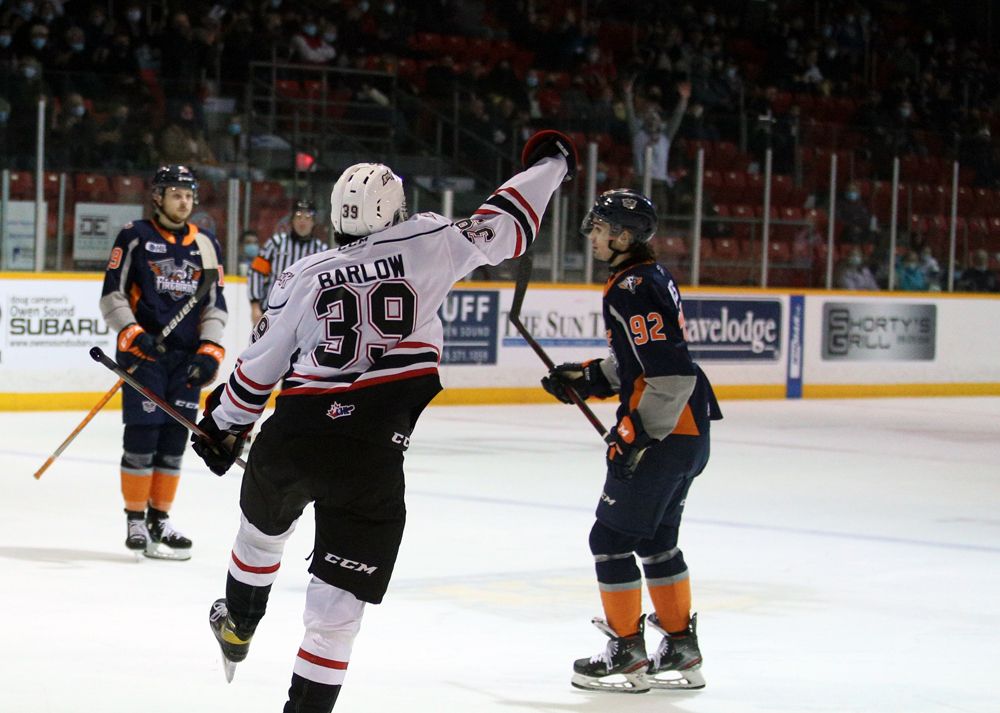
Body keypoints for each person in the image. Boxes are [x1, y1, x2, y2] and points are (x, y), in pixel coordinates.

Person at [188, 130, 578, 711]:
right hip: (370, 459)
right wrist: (553, 164)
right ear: (392, 210)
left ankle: (239, 623)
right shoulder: (431, 240)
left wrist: (223, 426)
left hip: (293, 438)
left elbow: (256, 370)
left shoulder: (305, 274)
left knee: (259, 532)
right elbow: (508, 223)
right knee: (333, 619)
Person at [541, 188, 722, 694]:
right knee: (658, 541)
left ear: (622, 236)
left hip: (666, 431)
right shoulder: (647, 277)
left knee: (611, 540)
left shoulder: (630, 288)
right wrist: (590, 378)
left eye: (600, 228)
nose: (593, 236)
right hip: (689, 431)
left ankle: (626, 653)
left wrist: (636, 434)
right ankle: (681, 649)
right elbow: (643, 361)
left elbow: (670, 372)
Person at [99, 165, 227, 560]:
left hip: (186, 360)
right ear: (157, 197)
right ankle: (135, 518)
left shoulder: (207, 244)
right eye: (175, 194)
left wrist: (210, 350)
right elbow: (112, 296)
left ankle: (160, 519)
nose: (184, 201)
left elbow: (215, 305)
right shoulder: (134, 237)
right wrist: (133, 334)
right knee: (143, 436)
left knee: (173, 443)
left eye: (189, 194)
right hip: (144, 356)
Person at [247, 198, 327, 324]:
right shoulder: (275, 244)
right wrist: (255, 306)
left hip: (305, 317)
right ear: (292, 220)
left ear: (313, 222)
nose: (303, 221)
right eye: (299, 216)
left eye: (307, 217)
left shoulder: (321, 251)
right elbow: (256, 273)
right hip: (271, 313)